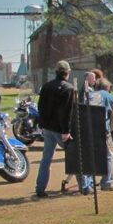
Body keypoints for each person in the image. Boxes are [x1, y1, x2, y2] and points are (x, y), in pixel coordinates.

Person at [34, 60, 77, 198]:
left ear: (56, 72)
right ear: (67, 73)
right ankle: (85, 186)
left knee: (46, 159)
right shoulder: (68, 88)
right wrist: (66, 131)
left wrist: (42, 124)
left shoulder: (46, 87)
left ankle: (40, 188)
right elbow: (67, 112)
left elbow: (40, 107)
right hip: (60, 129)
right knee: (75, 155)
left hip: (47, 128)